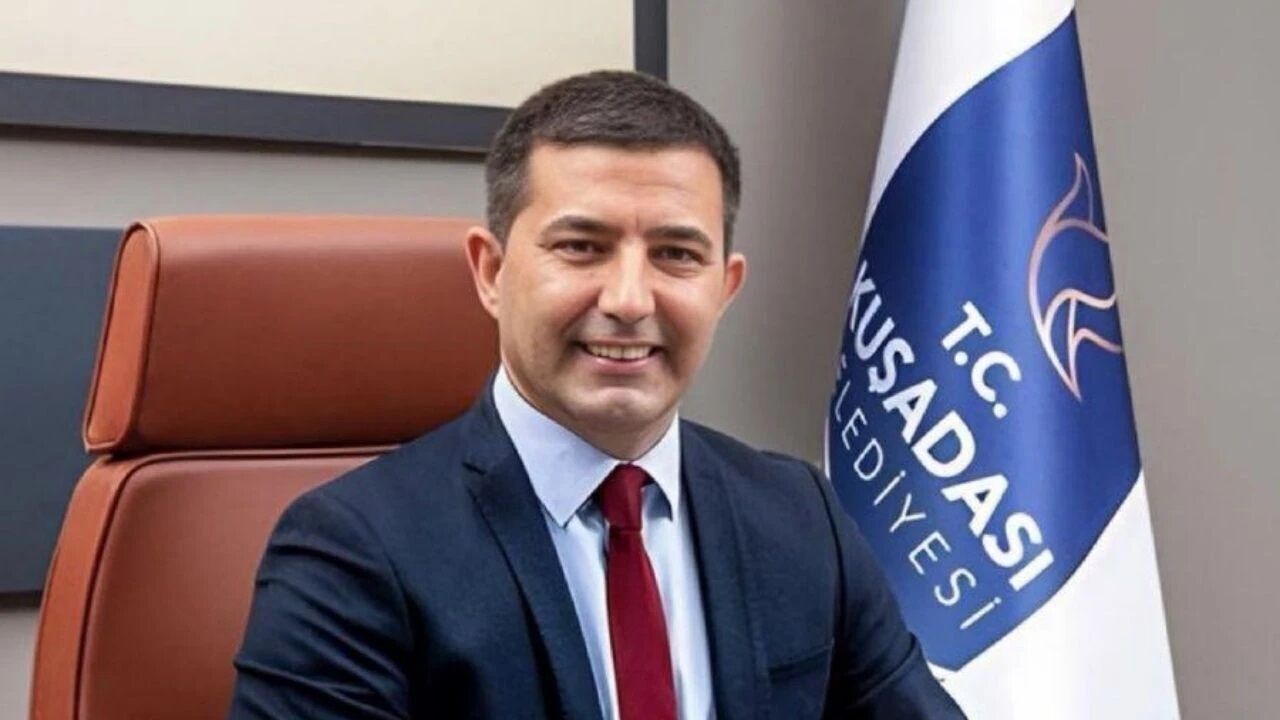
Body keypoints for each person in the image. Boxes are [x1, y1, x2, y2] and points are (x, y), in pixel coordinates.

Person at [228, 70, 965, 719]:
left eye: (676, 254)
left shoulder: (800, 517)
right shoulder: (353, 550)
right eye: (581, 247)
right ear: (490, 272)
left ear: (725, 287)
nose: (629, 299)